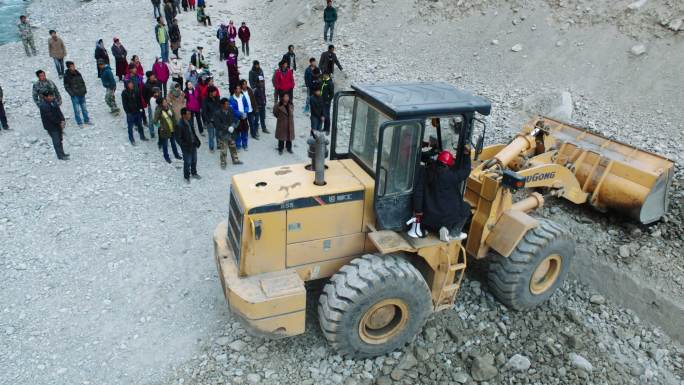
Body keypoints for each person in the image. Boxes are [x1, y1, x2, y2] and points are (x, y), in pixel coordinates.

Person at [411, 149, 472, 242]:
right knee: (466, 207)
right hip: (443, 218)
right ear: (448, 165)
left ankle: (437, 228)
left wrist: (418, 210)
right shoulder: (450, 176)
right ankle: (453, 233)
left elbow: (418, 192)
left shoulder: (425, 172)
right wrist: (467, 156)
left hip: (427, 216)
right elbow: (466, 171)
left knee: (437, 213)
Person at [39, 91, 69, 160]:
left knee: (60, 139)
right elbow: (51, 117)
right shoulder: (43, 106)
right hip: (51, 126)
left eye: (51, 96)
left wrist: (63, 120)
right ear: (45, 97)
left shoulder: (53, 102)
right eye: (50, 96)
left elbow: (58, 111)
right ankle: (60, 156)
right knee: (56, 141)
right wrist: (59, 122)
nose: (52, 97)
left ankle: (62, 153)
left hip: (57, 124)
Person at [175, 108, 202, 183]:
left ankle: (194, 173)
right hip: (186, 147)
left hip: (193, 144)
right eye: (188, 114)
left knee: (194, 160)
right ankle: (186, 176)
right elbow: (178, 139)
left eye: (190, 113)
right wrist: (184, 145)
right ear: (184, 115)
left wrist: (197, 141)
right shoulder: (179, 125)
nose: (190, 115)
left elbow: (193, 133)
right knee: (187, 162)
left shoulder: (189, 121)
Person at [214, 98, 242, 168]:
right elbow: (218, 125)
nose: (228, 105)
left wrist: (233, 126)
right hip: (222, 134)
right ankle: (223, 162)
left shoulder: (230, 110)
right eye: (226, 104)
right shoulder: (217, 113)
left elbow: (233, 119)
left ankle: (235, 160)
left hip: (231, 133)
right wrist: (227, 128)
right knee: (223, 149)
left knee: (233, 147)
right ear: (222, 105)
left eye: (228, 104)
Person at [153, 96, 182, 163]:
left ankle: (176, 155)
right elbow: (155, 121)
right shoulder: (158, 110)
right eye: (164, 102)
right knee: (165, 145)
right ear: (160, 104)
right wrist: (161, 127)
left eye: (165, 101)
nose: (166, 102)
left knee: (173, 143)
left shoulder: (168, 107)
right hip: (165, 131)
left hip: (172, 129)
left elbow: (173, 115)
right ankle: (166, 157)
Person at [63, 61, 91, 128]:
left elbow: (82, 82)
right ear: (68, 67)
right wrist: (72, 94)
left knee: (84, 108)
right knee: (77, 110)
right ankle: (79, 122)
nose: (73, 67)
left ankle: (86, 120)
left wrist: (84, 90)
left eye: (73, 66)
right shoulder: (67, 76)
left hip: (82, 93)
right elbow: (66, 86)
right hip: (75, 95)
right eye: (72, 66)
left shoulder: (77, 73)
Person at [122, 80, 147, 145]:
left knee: (140, 125)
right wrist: (128, 112)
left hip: (137, 111)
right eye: (130, 84)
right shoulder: (124, 93)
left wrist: (141, 109)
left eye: (132, 83)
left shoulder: (136, 91)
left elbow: (139, 101)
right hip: (130, 113)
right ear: (127, 85)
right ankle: (132, 139)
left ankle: (142, 136)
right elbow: (124, 104)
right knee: (130, 127)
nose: (131, 85)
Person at [250, 61, 269, 134]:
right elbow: (251, 81)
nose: (258, 66)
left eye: (258, 64)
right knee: (257, 117)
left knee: (263, 116)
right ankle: (256, 130)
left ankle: (264, 128)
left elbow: (263, 78)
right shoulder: (251, 72)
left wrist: (265, 100)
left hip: (262, 99)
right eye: (256, 65)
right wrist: (255, 87)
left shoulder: (261, 70)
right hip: (256, 91)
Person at [229, 85, 251, 150]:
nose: (239, 90)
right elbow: (232, 109)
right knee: (237, 132)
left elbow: (246, 105)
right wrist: (240, 114)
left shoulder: (243, 97)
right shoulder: (231, 99)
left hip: (244, 118)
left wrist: (245, 111)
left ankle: (245, 144)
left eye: (239, 88)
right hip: (237, 118)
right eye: (237, 89)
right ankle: (238, 145)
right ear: (235, 90)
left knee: (244, 131)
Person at [201, 85, 221, 152]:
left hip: (217, 120)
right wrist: (208, 121)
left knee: (218, 133)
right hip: (210, 121)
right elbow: (204, 112)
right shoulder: (205, 100)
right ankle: (211, 147)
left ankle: (218, 144)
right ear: (210, 92)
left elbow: (220, 108)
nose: (216, 92)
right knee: (211, 135)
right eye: (214, 91)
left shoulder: (217, 98)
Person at [143, 72, 162, 138]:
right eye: (152, 75)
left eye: (154, 75)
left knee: (161, 117)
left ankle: (161, 130)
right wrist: (149, 102)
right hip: (151, 104)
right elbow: (144, 95)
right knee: (151, 119)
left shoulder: (158, 83)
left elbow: (160, 91)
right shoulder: (146, 85)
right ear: (149, 77)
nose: (154, 76)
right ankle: (152, 132)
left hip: (159, 103)